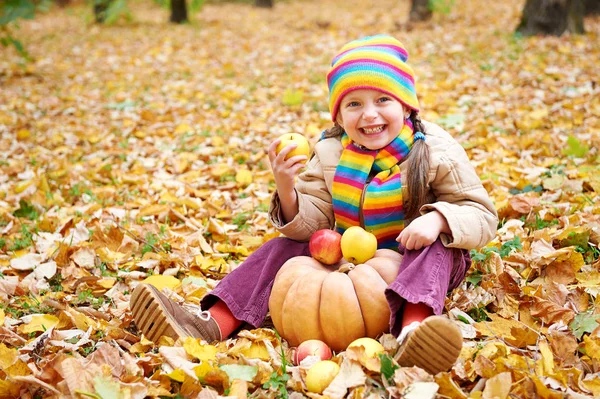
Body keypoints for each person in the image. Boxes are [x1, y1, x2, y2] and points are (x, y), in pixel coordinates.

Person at [130, 34, 498, 374]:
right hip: (348, 267)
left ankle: (413, 333)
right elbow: (311, 225)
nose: (369, 114)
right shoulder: (328, 153)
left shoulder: (435, 149)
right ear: (338, 117)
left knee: (433, 246)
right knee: (283, 248)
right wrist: (286, 188)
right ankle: (211, 323)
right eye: (354, 104)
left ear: (406, 105)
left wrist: (437, 220)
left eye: (382, 100)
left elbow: (481, 214)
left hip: (414, 259)